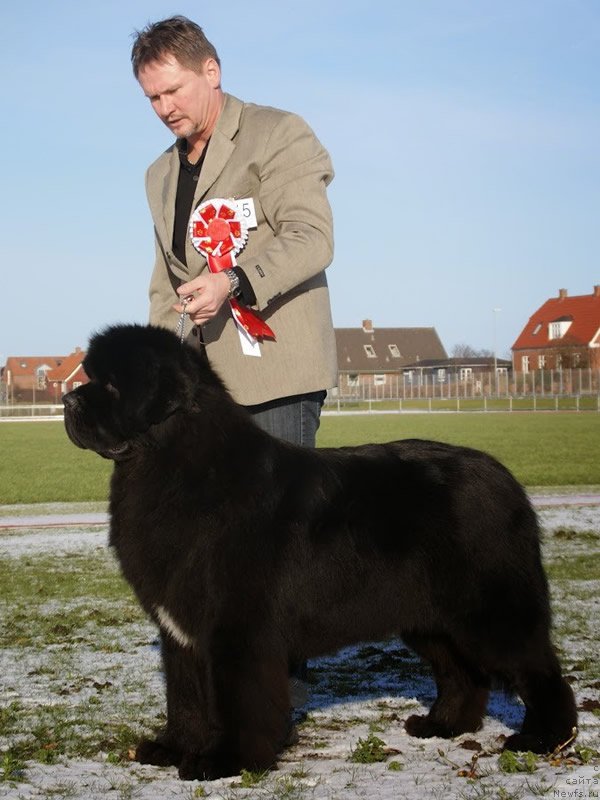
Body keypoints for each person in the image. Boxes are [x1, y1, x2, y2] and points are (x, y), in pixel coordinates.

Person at [130, 15, 337, 449]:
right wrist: (154, 375)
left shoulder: (277, 133)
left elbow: (311, 236)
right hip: (200, 395)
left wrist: (231, 281)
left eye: (173, 91)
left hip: (277, 380)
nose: (164, 108)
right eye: (152, 98)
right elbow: (167, 288)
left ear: (211, 71)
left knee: (277, 520)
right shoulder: (158, 174)